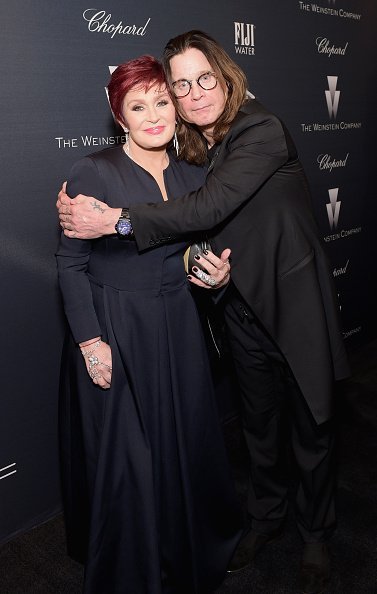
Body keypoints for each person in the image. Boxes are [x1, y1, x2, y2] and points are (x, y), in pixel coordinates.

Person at [57, 32, 350, 594]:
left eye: (203, 79)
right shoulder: (193, 148)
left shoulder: (261, 128)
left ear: (226, 74)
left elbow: (207, 207)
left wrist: (115, 220)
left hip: (292, 305)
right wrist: (204, 269)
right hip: (237, 307)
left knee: (312, 426)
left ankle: (316, 532)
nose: (193, 94)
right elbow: (194, 231)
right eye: (180, 86)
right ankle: (266, 519)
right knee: (259, 426)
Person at [56, 55, 243, 594]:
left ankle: (191, 546)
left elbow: (194, 253)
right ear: (121, 116)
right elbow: (69, 264)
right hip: (117, 327)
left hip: (177, 324)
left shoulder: (194, 174)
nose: (154, 115)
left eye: (162, 101)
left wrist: (214, 275)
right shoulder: (94, 171)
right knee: (131, 462)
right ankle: (134, 564)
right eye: (139, 106)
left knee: (184, 443)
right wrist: (92, 344)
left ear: (177, 109)